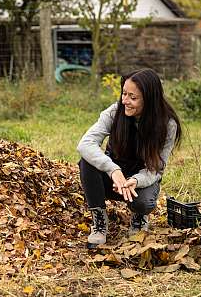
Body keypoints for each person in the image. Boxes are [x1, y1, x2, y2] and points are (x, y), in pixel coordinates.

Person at [77, 68, 182, 248]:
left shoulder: (167, 125)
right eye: (124, 94)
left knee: (144, 203)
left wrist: (135, 180)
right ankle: (99, 222)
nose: (125, 100)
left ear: (149, 100)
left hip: (139, 181)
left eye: (133, 97)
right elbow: (85, 144)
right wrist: (113, 170)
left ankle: (139, 217)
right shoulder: (114, 112)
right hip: (113, 178)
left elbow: (156, 168)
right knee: (87, 161)